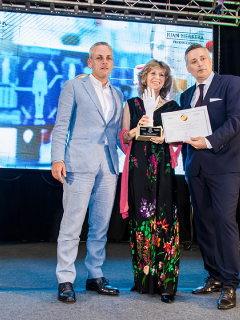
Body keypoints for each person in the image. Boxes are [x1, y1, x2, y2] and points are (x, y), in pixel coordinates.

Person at [51, 42, 124, 303]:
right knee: (72, 224)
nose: (105, 62)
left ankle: (94, 275)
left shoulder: (118, 94)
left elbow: (116, 135)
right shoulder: (73, 86)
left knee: (100, 226)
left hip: (109, 166)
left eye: (109, 58)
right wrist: (57, 158)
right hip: (78, 163)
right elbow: (61, 125)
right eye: (99, 58)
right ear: (90, 61)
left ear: (113, 63)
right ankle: (65, 279)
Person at [180, 43, 240, 310]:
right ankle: (215, 277)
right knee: (205, 225)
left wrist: (208, 141)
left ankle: (230, 284)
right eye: (193, 62)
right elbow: (181, 128)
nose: (199, 64)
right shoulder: (186, 94)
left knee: (224, 221)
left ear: (210, 60)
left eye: (202, 59)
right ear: (187, 68)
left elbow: (236, 120)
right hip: (195, 169)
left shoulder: (231, 83)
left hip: (225, 166)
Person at [119, 60, 182, 303]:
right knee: (141, 222)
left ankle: (166, 285)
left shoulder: (174, 106)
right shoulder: (132, 105)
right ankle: (144, 281)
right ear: (144, 77)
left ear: (166, 80)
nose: (157, 77)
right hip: (138, 169)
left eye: (162, 74)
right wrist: (135, 131)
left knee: (164, 222)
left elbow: (179, 139)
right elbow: (123, 137)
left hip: (163, 169)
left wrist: (166, 136)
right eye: (153, 73)